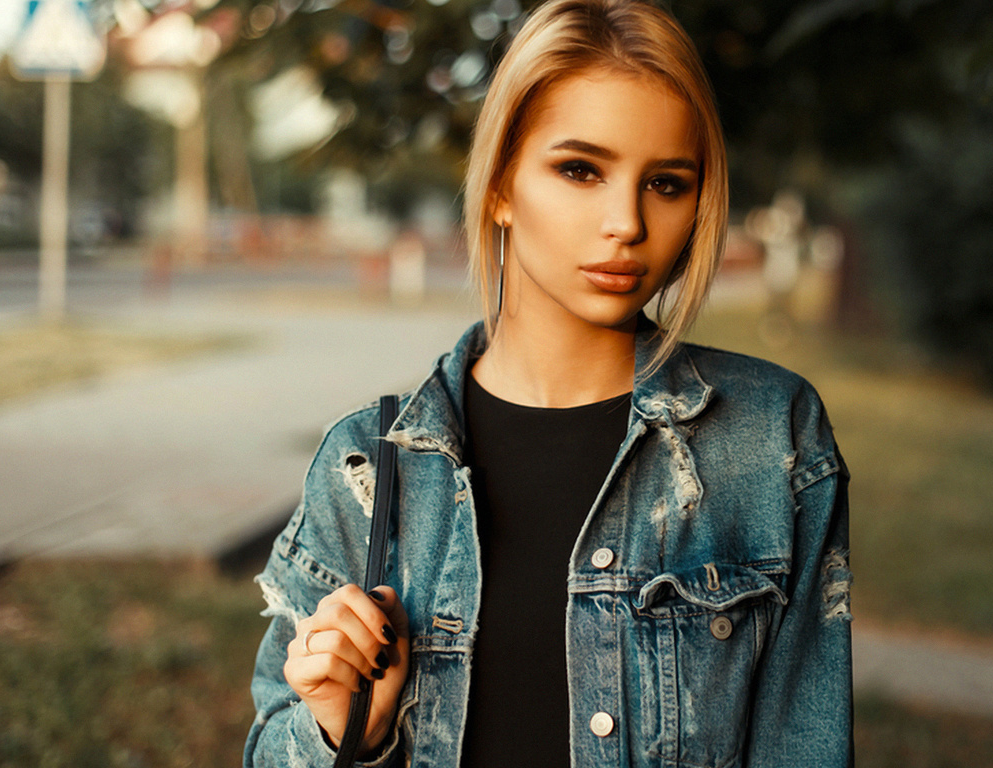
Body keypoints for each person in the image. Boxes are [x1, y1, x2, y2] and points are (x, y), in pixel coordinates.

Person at [244, 1, 853, 766]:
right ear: (500, 183)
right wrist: (343, 731)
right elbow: (271, 745)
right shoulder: (369, 467)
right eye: (580, 170)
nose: (626, 222)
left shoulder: (769, 435)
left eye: (666, 183)